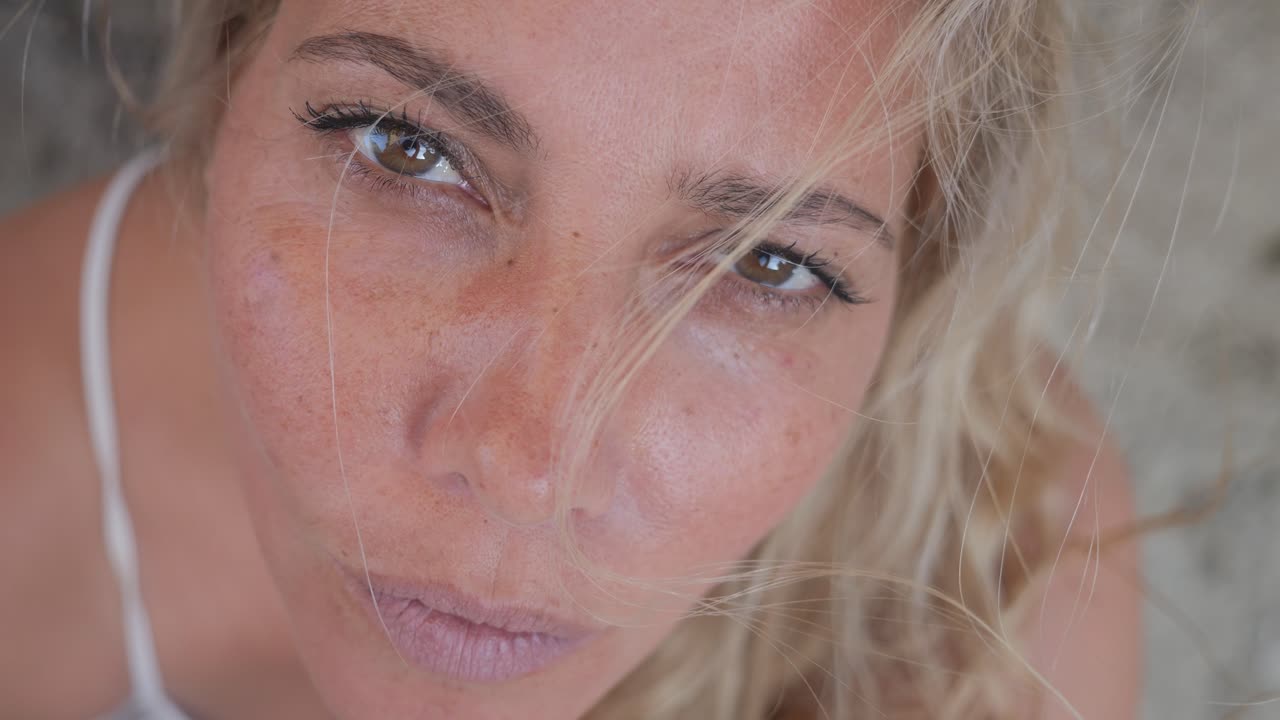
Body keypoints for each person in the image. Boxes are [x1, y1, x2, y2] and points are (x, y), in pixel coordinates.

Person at [0, 1, 1143, 718]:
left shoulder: (999, 587)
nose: (524, 469)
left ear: (913, 290)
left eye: (763, 263)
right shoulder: (27, 414)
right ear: (224, 89)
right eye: (409, 149)